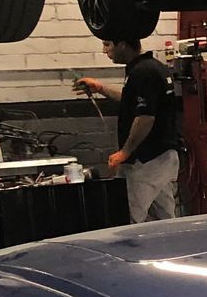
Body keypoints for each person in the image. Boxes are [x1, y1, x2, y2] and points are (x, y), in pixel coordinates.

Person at [77, 37, 180, 223]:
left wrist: (125, 152)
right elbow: (130, 101)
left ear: (122, 43)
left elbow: (146, 117)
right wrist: (100, 88)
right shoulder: (151, 66)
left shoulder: (142, 72)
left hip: (147, 161)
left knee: (128, 218)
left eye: (108, 44)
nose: (104, 50)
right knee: (164, 219)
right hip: (160, 157)